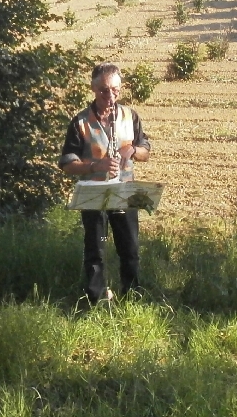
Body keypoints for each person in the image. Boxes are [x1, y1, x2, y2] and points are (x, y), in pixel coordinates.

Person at [59, 62, 151, 304]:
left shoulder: (130, 116)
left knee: (129, 249)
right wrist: (94, 166)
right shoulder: (80, 121)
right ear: (93, 88)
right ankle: (96, 299)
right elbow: (67, 163)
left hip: (125, 191)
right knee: (95, 251)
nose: (110, 96)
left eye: (115, 90)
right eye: (103, 90)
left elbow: (145, 150)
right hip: (93, 193)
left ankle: (132, 297)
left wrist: (131, 150)